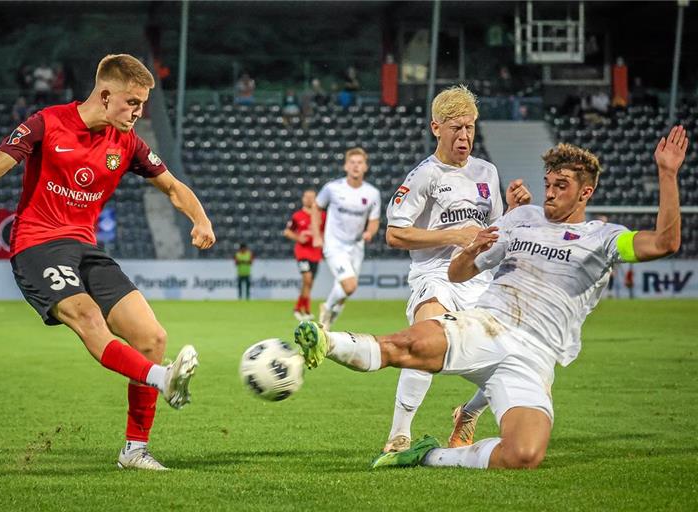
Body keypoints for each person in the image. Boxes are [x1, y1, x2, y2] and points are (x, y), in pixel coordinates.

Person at [294, 126, 687, 470]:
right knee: (411, 343)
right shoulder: (520, 219)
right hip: (488, 325)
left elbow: (666, 242)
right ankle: (327, 341)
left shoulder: (604, 238)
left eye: (561, 187)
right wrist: (468, 251)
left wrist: (667, 174)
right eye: (548, 184)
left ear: (586, 192)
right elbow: (457, 273)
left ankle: (428, 455)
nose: (549, 194)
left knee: (524, 455)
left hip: (536, 356)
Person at [0, 54, 216, 470]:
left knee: (153, 338)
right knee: (89, 318)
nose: (139, 112)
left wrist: (200, 218)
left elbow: (173, 187)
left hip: (85, 249)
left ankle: (134, 450)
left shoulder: (128, 143)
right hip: (36, 245)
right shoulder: (46, 122)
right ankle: (163, 379)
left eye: (143, 104)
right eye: (132, 103)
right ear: (105, 95)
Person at [382, 85, 531, 453]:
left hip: (478, 279)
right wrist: (452, 235)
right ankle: (399, 436)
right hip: (435, 275)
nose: (464, 136)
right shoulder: (424, 176)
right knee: (425, 335)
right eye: (456, 128)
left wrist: (513, 211)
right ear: (436, 128)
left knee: (520, 357)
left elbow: (491, 235)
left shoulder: (487, 171)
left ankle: (467, 414)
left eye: (469, 128)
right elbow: (394, 234)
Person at [310, 147, 381, 330]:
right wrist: (317, 235)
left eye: (360, 163)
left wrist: (369, 232)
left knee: (345, 293)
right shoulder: (332, 189)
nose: (356, 166)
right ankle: (326, 308)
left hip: (356, 246)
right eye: (352, 162)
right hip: (335, 244)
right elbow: (316, 208)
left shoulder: (372, 193)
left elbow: (374, 220)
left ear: (365, 167)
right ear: (345, 166)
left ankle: (327, 323)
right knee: (349, 286)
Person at [284, 189, 325, 320]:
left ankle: (299, 309)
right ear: (303, 199)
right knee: (307, 279)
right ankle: (304, 311)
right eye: (307, 197)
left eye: (312, 197)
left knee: (309, 284)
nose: (309, 199)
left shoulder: (322, 215)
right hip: (302, 252)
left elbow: (326, 232)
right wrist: (298, 238)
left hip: (316, 253)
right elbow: (287, 232)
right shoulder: (297, 216)